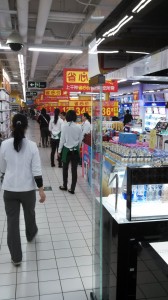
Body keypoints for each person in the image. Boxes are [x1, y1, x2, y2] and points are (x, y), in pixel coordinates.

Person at [0, 113, 46, 266]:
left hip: (9, 190)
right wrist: (41, 189)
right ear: (26, 127)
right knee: (30, 213)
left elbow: (2, 168)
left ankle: (16, 257)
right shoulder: (32, 146)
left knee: (12, 223)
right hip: (27, 190)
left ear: (12, 126)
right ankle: (31, 234)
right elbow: (36, 170)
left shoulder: (4, 145)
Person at [58, 110, 82, 194]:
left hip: (66, 150)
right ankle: (72, 188)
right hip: (75, 151)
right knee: (74, 170)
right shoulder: (79, 127)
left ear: (67, 117)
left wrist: (59, 150)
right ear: (75, 117)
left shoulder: (64, 126)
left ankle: (64, 186)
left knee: (65, 169)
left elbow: (62, 140)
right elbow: (80, 140)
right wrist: (77, 147)